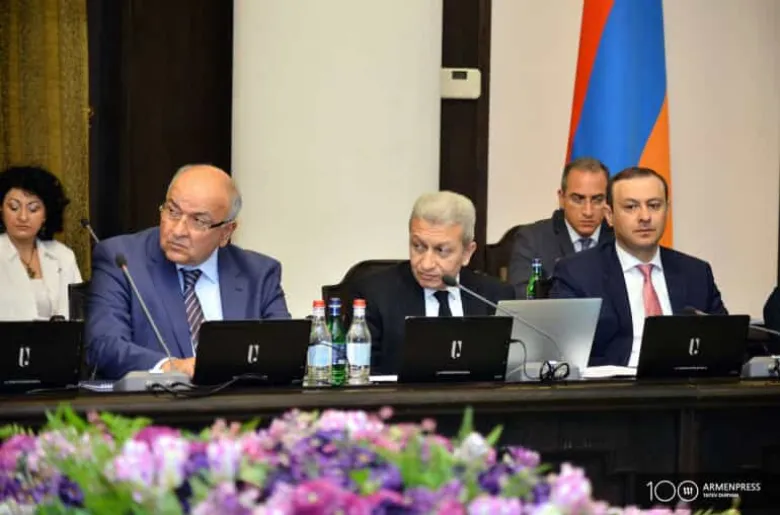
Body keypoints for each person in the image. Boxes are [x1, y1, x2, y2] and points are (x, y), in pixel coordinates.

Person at [86, 164, 290, 379]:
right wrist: (171, 367)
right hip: (157, 398)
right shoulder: (122, 260)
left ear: (226, 232)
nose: (178, 231)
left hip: (238, 399)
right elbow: (103, 345)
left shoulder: (258, 274)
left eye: (199, 221)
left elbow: (284, 351)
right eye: (172, 211)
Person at [550, 167, 727, 367]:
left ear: (667, 210)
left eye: (654, 205)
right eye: (631, 207)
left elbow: (725, 344)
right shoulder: (577, 273)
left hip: (684, 382)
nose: (645, 217)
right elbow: (564, 354)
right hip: (616, 384)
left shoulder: (696, 273)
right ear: (609, 215)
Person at [352, 190, 515, 375]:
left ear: (467, 253)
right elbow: (362, 377)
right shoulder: (375, 294)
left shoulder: (495, 296)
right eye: (418, 246)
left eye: (441, 250)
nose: (426, 264)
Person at [508, 157, 614, 298]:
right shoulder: (532, 239)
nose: (588, 211)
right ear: (562, 199)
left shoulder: (619, 238)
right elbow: (523, 297)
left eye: (597, 200)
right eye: (578, 199)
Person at [0, 165, 82, 320]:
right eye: (14, 207)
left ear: (45, 214)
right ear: (1, 210)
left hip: (58, 336)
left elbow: (78, 315)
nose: (23, 217)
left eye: (33, 209)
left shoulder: (63, 256)